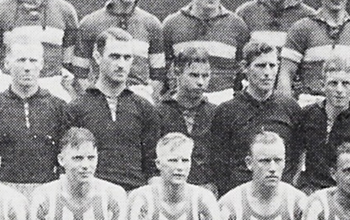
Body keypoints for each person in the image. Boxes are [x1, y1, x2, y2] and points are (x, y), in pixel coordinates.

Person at [65, 28, 161, 192]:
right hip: (92, 196)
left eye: (127, 57)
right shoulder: (76, 108)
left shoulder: (145, 108)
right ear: (97, 57)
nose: (121, 64)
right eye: (114, 56)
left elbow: (153, 163)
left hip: (134, 195)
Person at [0, 39, 71, 200]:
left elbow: (67, 152)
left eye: (33, 61)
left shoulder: (59, 107)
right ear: (7, 64)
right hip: (4, 191)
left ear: (41, 64)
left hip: (47, 190)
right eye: (21, 60)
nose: (27, 67)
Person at [207, 40, 302, 195]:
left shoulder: (290, 108)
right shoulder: (226, 111)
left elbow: (298, 156)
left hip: (281, 195)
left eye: (272, 66)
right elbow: (218, 164)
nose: (267, 73)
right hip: (240, 196)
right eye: (260, 66)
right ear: (245, 68)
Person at [74, 0, 166, 102]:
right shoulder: (90, 23)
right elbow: (79, 75)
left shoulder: (152, 24)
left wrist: (144, 101)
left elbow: (159, 76)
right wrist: (95, 104)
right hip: (100, 99)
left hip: (139, 100)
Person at [160, 0, 250, 103]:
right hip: (183, 106)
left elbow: (242, 72)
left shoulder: (237, 25)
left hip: (223, 106)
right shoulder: (172, 24)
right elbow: (163, 73)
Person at [291, 56, 350, 191]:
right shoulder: (308, 114)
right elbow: (296, 157)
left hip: (347, 194)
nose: (339, 90)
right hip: (311, 192)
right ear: (323, 85)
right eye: (333, 83)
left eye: (345, 83)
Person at [157, 48, 217, 191]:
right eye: (194, 75)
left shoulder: (216, 113)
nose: (201, 82)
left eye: (205, 76)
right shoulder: (158, 112)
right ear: (177, 73)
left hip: (207, 190)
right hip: (169, 190)